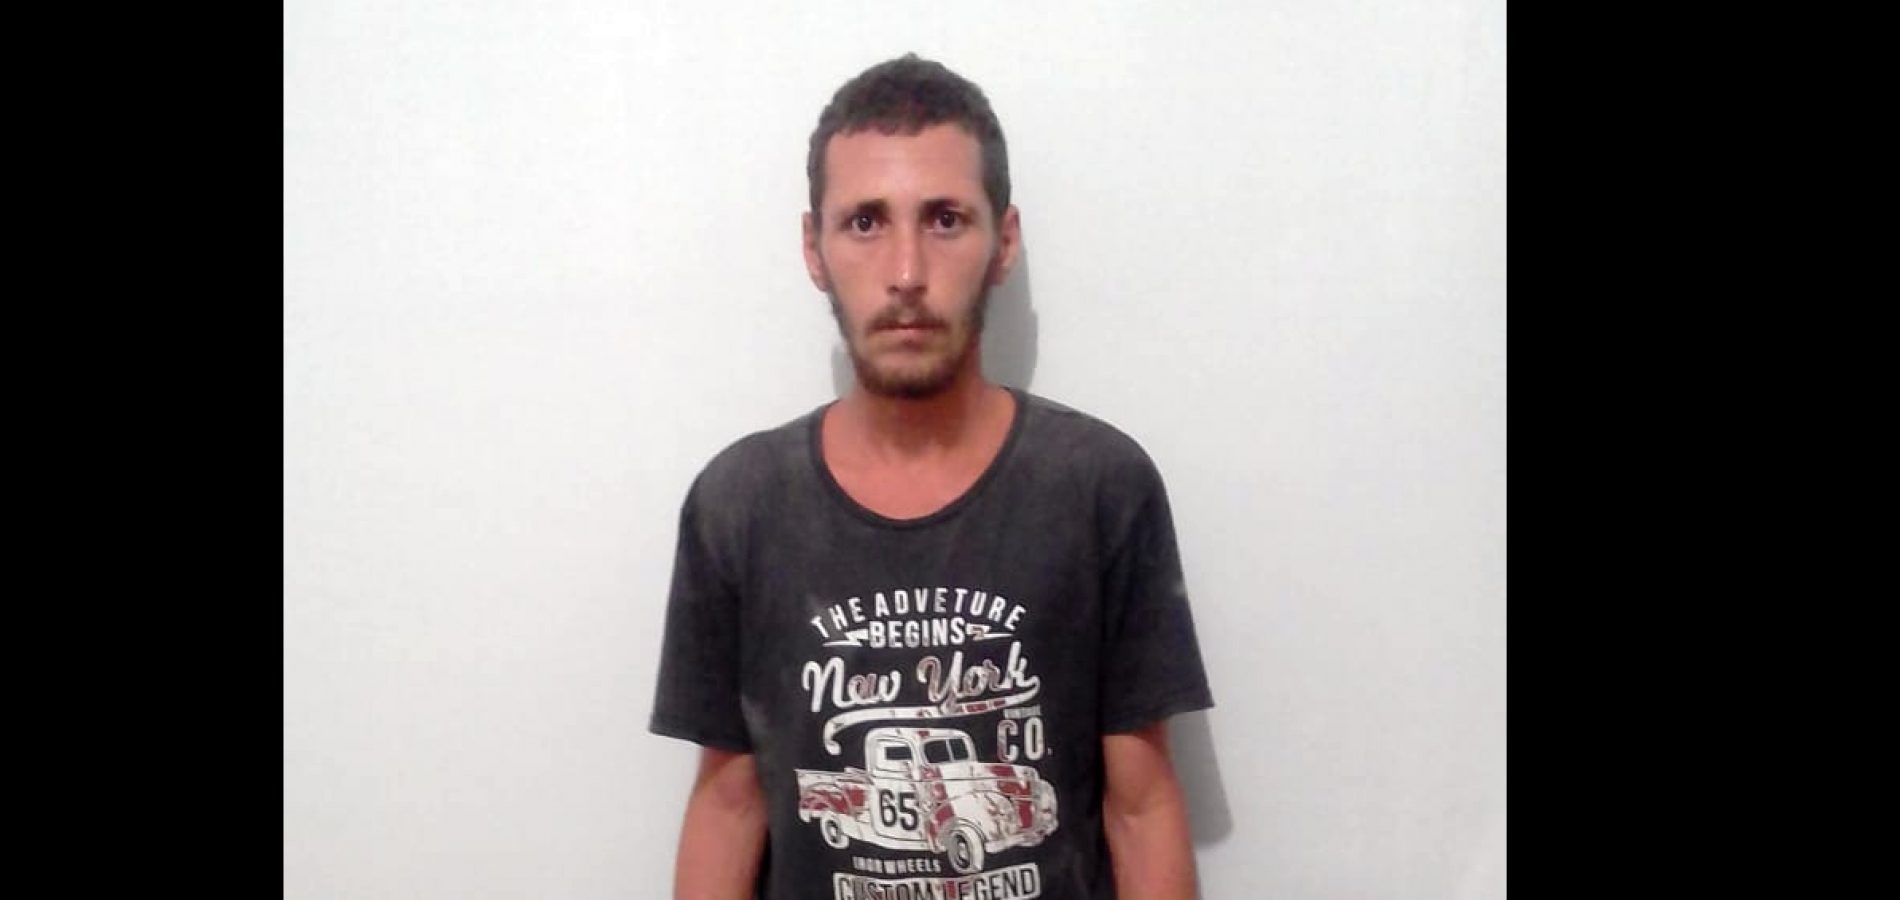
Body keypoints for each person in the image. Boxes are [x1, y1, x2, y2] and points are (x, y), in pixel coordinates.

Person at [650, 53, 1214, 899]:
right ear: (813, 247)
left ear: (1004, 241)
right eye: (865, 222)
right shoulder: (741, 504)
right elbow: (730, 803)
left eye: (946, 219)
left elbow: (1140, 805)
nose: (907, 273)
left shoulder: (1099, 487)